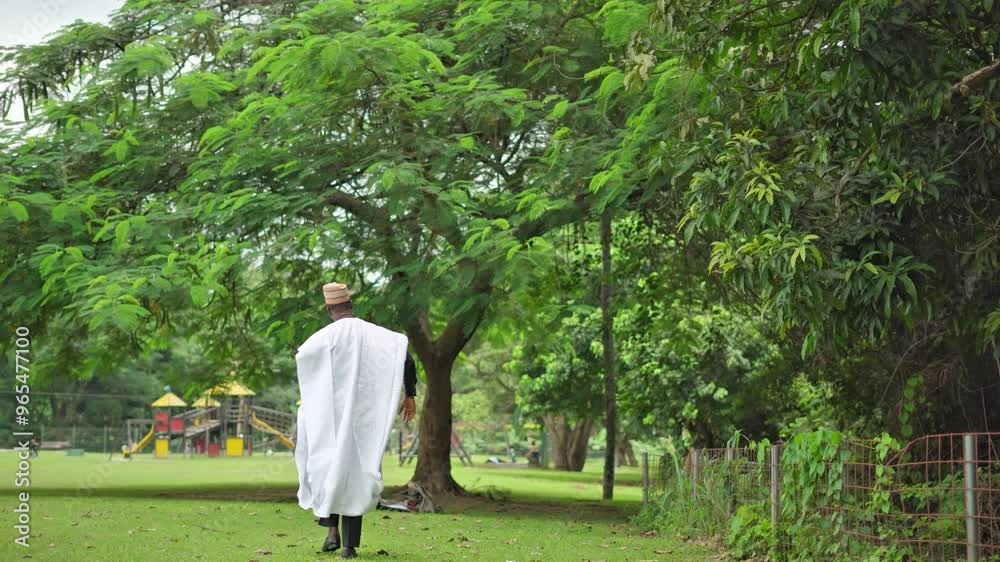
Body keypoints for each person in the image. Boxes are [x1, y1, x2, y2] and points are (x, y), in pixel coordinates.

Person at [294, 281, 417, 559]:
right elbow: (405, 359)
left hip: (330, 422)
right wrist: (410, 394)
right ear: (350, 305)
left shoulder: (322, 338)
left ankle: (331, 534)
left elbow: (302, 358)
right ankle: (347, 545)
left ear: (329, 309)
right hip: (363, 424)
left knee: (328, 469)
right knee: (355, 474)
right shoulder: (375, 335)